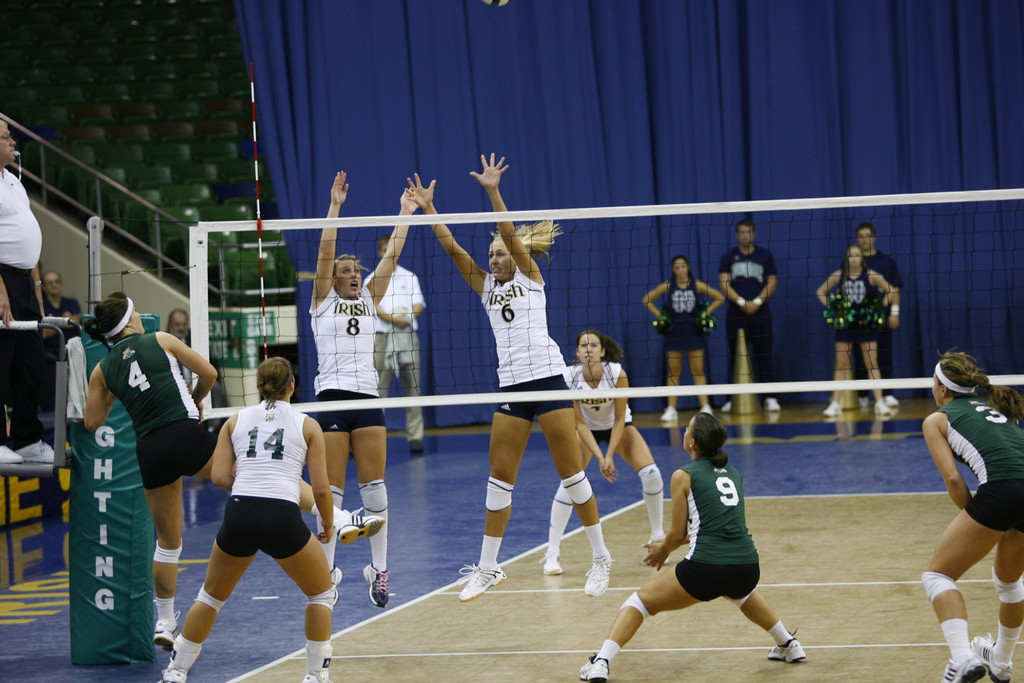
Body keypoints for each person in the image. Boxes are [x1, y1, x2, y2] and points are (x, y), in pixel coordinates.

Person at [83, 293, 378, 650]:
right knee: (261, 476)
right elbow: (208, 372)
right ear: (131, 319)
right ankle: (341, 517)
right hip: (184, 433)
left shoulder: (103, 368)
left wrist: (117, 392)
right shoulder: (160, 339)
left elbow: (92, 421)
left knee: (168, 543)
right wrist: (197, 396)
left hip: (150, 449)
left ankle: (164, 621)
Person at [407, 154, 613, 602]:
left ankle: (600, 557)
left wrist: (493, 191)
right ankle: (488, 567)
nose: (494, 258)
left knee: (571, 473)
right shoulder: (485, 290)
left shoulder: (532, 277)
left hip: (548, 380)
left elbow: (506, 232)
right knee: (499, 478)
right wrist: (429, 211)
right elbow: (454, 249)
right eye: (491, 256)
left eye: (500, 253)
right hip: (513, 387)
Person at [578, 412, 806, 682]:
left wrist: (663, 550)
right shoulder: (734, 474)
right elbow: (713, 525)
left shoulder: (682, 475)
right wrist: (669, 543)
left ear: (692, 442)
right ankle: (789, 644)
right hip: (747, 566)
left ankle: (600, 661)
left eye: (687, 429)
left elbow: (677, 533)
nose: (684, 432)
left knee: (638, 602)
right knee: (739, 592)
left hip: (705, 568)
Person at [159, 357, 338, 683]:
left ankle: (176, 671)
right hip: (281, 516)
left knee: (210, 597)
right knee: (321, 594)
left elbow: (218, 477)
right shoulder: (308, 425)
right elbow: (322, 490)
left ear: (259, 385)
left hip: (239, 511)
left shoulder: (235, 420)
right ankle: (316, 676)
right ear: (292, 386)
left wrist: (249, 485)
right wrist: (328, 524)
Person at [311, 172, 414, 609]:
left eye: (356, 271)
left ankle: (379, 568)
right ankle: (329, 571)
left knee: (375, 489)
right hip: (332, 398)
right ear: (333, 280)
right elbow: (325, 253)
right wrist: (335, 206)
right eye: (346, 272)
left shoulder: (371, 297)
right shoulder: (321, 300)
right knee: (330, 493)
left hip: (367, 399)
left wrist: (405, 215)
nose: (354, 275)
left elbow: (391, 257)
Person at [921, 351, 1024, 683]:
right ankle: (1002, 663)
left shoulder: (936, 419)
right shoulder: (997, 410)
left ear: (942, 388)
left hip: (1002, 491)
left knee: (937, 576)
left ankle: (963, 658)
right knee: (1009, 584)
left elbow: (953, 479)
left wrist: (975, 518)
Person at [542, 330, 664, 576]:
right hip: (587, 431)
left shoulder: (617, 373)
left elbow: (620, 419)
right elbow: (580, 425)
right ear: (577, 352)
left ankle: (658, 536)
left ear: (602, 351)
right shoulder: (570, 377)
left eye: (594, 345)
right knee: (570, 481)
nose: (589, 349)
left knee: (651, 473)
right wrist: (600, 457)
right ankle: (552, 553)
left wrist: (610, 455)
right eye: (583, 345)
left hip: (617, 427)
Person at [0, 120, 54, 465]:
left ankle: (26, 439)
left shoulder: (13, 181)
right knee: (1, 361)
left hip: (23, 280)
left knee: (30, 360)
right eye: (6, 136)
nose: (12, 141)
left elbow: (27, 237)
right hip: (2, 279)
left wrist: (35, 285)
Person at [815, 243, 896, 418]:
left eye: (857, 255)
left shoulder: (871, 275)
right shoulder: (839, 276)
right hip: (845, 326)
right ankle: (835, 403)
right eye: (850, 256)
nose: (854, 259)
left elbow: (890, 289)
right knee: (842, 365)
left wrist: (879, 308)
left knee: (872, 364)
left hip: (866, 326)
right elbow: (821, 292)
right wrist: (833, 307)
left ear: (862, 258)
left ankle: (880, 402)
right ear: (847, 258)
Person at [642, 255, 724, 421]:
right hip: (674, 331)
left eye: (683, 266)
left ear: (688, 267)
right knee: (674, 371)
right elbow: (647, 299)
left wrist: (705, 313)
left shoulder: (697, 285)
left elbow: (720, 297)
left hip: (693, 330)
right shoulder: (668, 285)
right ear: (673, 269)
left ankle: (705, 406)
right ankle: (672, 408)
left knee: (698, 369)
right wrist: (661, 316)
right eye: (677, 267)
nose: (680, 270)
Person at [717, 219, 780, 413]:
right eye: (742, 232)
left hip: (760, 312)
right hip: (736, 312)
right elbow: (724, 283)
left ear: (754, 233)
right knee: (736, 354)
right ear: (737, 235)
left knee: (763, 354)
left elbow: (772, 281)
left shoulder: (764, 256)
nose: (745, 235)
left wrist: (757, 302)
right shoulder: (729, 257)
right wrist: (742, 302)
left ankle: (769, 397)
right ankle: (732, 398)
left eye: (749, 232)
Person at [372, 234, 426, 453]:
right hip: (382, 338)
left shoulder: (409, 277)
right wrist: (393, 319)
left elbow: (419, 304)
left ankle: (415, 436)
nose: (389, 253)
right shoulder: (372, 279)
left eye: (392, 249)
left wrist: (406, 318)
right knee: (377, 389)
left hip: (407, 336)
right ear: (380, 252)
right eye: (385, 249)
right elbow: (373, 306)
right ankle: (374, 437)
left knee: (412, 387)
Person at [852, 222, 902, 409]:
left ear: (874, 238)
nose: (865, 239)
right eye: (861, 236)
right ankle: (863, 394)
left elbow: (894, 289)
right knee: (858, 356)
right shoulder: (852, 260)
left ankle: (887, 393)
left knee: (883, 355)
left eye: (868, 236)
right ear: (858, 239)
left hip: (880, 317)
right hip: (857, 320)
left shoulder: (886, 262)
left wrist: (893, 313)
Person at [39, 271, 82, 411]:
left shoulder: (71, 302)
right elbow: (43, 333)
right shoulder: (41, 306)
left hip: (71, 358)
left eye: (57, 281)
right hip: (50, 360)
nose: (54, 285)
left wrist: (54, 325)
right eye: (50, 282)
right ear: (44, 287)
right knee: (51, 403)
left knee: (74, 399)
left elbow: (77, 321)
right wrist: (64, 322)